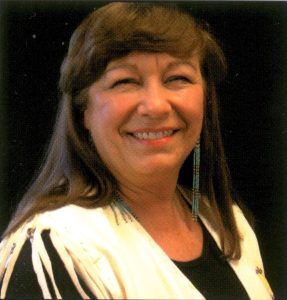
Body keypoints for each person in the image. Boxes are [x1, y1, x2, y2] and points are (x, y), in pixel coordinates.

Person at [0, 2, 273, 299]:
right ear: (84, 113)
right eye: (125, 81)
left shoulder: (230, 226)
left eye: (177, 78)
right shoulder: (58, 249)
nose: (155, 106)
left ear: (205, 100)